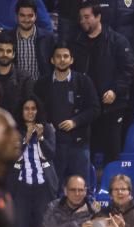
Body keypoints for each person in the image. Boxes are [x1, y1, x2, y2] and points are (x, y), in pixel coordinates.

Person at [72, 2, 134, 165]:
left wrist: (115, 91)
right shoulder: (75, 43)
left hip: (112, 107)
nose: (83, 21)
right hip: (86, 108)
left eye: (87, 17)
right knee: (86, 155)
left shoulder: (117, 41)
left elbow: (128, 70)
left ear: (98, 16)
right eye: (81, 18)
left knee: (112, 153)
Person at [33, 43, 99, 185]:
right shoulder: (41, 84)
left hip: (79, 144)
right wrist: (45, 125)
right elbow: (35, 110)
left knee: (81, 188)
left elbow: (94, 109)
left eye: (65, 56)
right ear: (52, 60)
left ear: (71, 60)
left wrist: (75, 122)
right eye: (58, 56)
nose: (62, 59)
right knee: (53, 188)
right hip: (52, 145)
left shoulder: (83, 81)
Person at [12, 96, 58, 227]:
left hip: (43, 185)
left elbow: (51, 154)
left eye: (33, 109)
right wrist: (25, 138)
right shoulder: (13, 131)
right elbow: (11, 157)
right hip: (21, 186)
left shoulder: (47, 128)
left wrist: (41, 138)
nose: (30, 112)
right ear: (21, 111)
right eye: (27, 109)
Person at [3, 0, 55, 82]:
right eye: (22, 15)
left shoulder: (48, 38)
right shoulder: (7, 37)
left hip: (41, 88)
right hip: (15, 89)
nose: (26, 19)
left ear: (36, 16)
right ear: (16, 16)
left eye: (30, 16)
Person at [0, 33, 34, 117]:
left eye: (8, 51)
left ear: (13, 55)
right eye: (1, 50)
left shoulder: (25, 79)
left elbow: (29, 108)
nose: (5, 54)